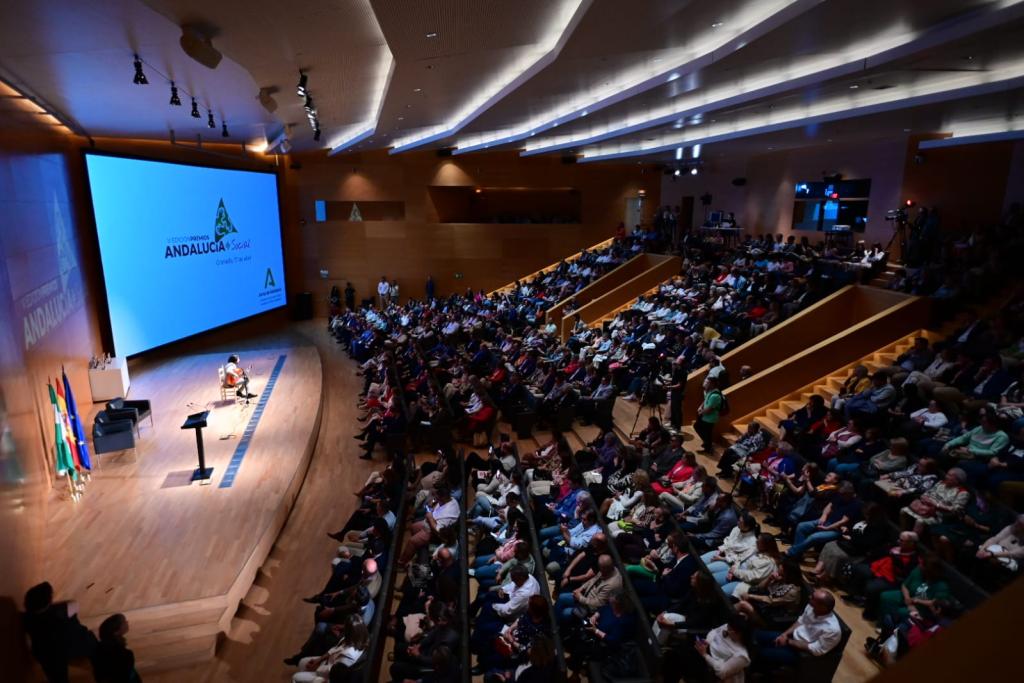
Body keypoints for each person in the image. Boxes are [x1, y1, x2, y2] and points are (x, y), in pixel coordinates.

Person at [22, 582, 97, 683]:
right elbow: (74, 604)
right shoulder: (59, 613)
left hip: (45, 652)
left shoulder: (26, 618)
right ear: (48, 602)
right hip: (66, 648)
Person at [753, 590, 842, 665]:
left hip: (801, 653)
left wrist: (788, 642)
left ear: (823, 607)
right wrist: (784, 635)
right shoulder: (812, 607)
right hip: (790, 639)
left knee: (761, 653)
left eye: (813, 598)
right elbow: (800, 622)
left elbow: (816, 650)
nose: (809, 597)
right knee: (756, 635)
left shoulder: (832, 629)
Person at [694, 614, 752, 683]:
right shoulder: (729, 627)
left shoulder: (742, 655)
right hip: (706, 650)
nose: (727, 629)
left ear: (738, 634)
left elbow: (722, 672)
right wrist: (707, 641)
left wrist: (705, 655)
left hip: (713, 667)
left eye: (730, 629)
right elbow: (714, 631)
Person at [92, 613, 140, 683]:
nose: (127, 622)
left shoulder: (100, 647)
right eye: (124, 622)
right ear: (116, 632)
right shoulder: (126, 654)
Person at [696, 376, 724, 453]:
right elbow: (705, 400)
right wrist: (700, 406)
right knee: (701, 429)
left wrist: (700, 412)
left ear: (712, 384)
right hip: (705, 416)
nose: (704, 383)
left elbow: (709, 410)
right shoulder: (709, 391)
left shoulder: (715, 395)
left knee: (705, 432)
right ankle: (707, 444)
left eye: (707, 382)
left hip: (710, 418)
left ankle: (707, 447)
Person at [668, 356, 688, 431]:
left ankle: (677, 427)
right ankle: (672, 424)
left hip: (678, 393)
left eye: (679, 359)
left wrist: (669, 387)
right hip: (674, 392)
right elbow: (674, 380)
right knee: (673, 408)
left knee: (677, 410)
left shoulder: (683, 372)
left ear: (682, 362)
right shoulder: (677, 370)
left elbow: (679, 385)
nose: (676, 360)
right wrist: (666, 382)